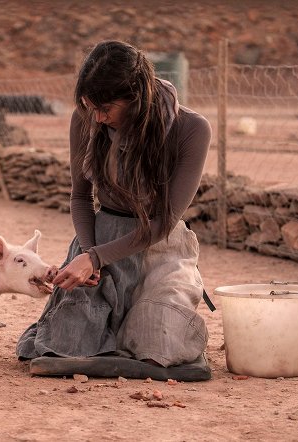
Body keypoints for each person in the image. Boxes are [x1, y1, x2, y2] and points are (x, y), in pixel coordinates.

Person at [16, 40, 213, 381]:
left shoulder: (191, 129)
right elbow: (80, 198)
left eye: (106, 109)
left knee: (159, 342)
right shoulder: (87, 119)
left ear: (136, 98)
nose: (97, 118)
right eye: (90, 107)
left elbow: (163, 222)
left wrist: (96, 257)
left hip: (158, 246)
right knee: (66, 341)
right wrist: (89, 256)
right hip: (98, 238)